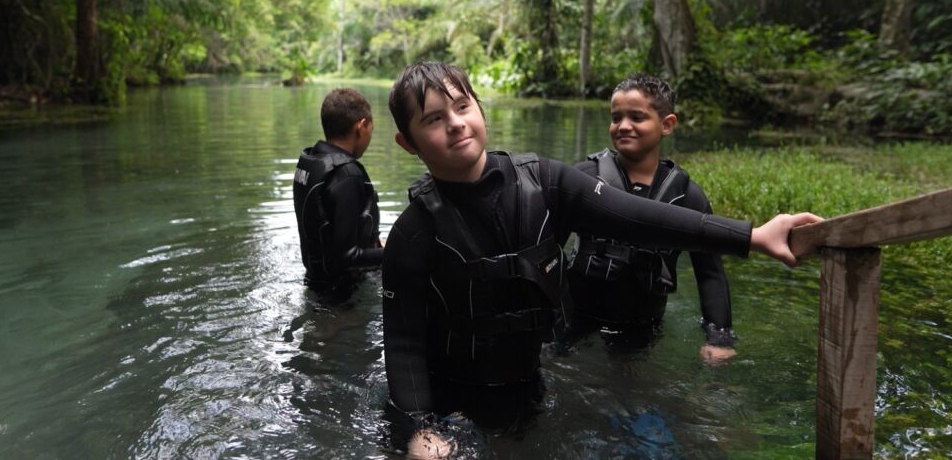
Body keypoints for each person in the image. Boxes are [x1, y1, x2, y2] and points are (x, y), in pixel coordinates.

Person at [381, 62, 820, 459]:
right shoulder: (411, 235)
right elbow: (402, 344)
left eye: (462, 107)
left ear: (480, 108)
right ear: (407, 142)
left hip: (531, 389)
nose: (456, 124)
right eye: (434, 119)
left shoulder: (545, 183)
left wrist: (753, 236)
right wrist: (419, 428)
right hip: (449, 408)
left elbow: (642, 217)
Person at [567, 74, 736, 364]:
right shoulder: (584, 179)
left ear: (667, 124)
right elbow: (543, 243)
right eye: (615, 117)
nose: (623, 126)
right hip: (576, 321)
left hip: (641, 328)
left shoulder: (687, 197)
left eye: (637, 117)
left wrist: (719, 338)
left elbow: (710, 272)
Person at [292, 88, 383, 294]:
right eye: (371, 130)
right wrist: (396, 252)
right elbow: (347, 257)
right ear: (361, 127)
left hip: (316, 282)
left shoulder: (312, 160)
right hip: (342, 297)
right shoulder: (347, 174)